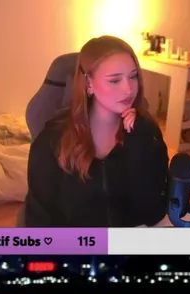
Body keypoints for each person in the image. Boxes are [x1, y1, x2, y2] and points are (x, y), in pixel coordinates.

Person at [23, 35, 168, 228]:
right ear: (88, 84)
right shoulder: (52, 142)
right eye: (115, 80)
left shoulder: (146, 132)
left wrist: (139, 142)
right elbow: (39, 220)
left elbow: (153, 212)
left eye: (133, 76)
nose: (128, 89)